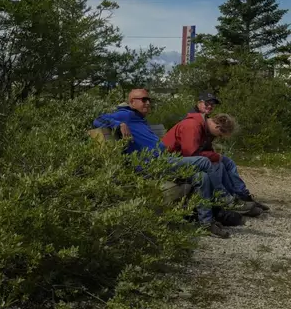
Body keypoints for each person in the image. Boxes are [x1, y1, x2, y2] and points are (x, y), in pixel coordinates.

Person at [93, 89, 230, 238]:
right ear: (132, 102)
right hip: (149, 166)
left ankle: (206, 223)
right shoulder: (126, 114)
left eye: (149, 100)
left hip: (162, 162)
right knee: (203, 161)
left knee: (201, 176)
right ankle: (223, 197)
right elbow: (98, 120)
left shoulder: (140, 119)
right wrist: (119, 124)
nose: (148, 102)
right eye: (143, 99)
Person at [162, 112, 268, 214]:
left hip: (182, 159)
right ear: (217, 127)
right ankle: (227, 201)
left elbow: (201, 151)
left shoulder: (204, 128)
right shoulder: (192, 126)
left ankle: (238, 198)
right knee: (217, 166)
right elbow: (191, 154)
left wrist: (215, 156)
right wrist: (215, 156)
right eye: (220, 135)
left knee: (224, 163)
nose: (218, 137)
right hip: (170, 164)